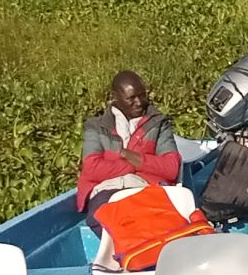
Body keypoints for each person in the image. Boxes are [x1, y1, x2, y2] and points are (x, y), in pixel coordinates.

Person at [76, 70, 182, 210]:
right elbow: (91, 169)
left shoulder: (158, 123)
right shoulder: (95, 126)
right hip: (106, 191)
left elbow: (171, 168)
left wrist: (133, 157)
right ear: (115, 97)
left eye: (142, 96)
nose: (139, 103)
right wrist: (131, 166)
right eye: (131, 98)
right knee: (106, 217)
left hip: (146, 188)